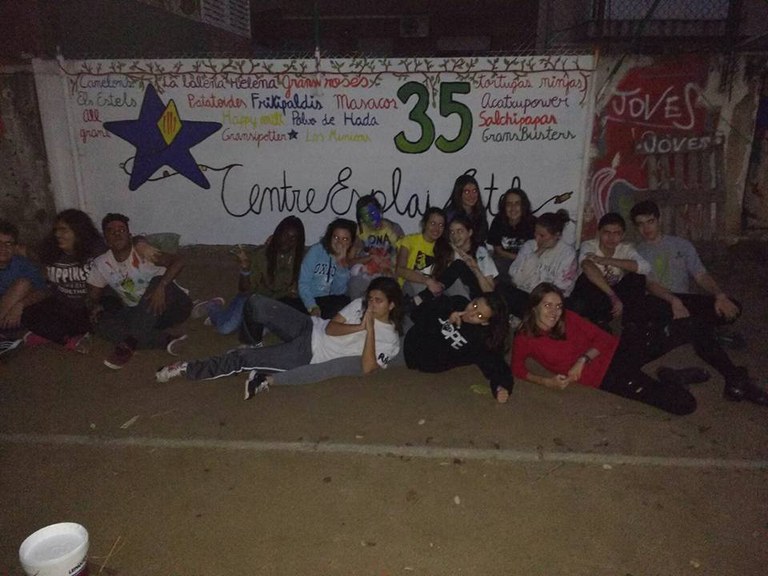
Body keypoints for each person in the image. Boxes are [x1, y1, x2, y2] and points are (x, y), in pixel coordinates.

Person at [155, 276, 404, 400]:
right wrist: (358, 325)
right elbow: (330, 329)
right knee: (256, 303)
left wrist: (369, 330)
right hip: (310, 327)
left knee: (242, 358)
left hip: (308, 353)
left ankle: (186, 368)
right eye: (370, 298)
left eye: (378, 301)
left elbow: (368, 367)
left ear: (391, 305)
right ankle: (254, 342)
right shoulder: (360, 305)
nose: (372, 304)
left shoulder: (390, 340)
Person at [630, 200, 767, 405]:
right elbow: (649, 285)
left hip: (685, 302)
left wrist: (719, 295)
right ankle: (735, 377)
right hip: (659, 302)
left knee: (731, 307)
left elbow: (700, 274)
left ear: (659, 220)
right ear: (636, 227)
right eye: (640, 224)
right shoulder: (637, 252)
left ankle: (703, 331)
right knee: (697, 326)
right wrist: (673, 300)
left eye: (650, 221)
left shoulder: (681, 245)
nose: (646, 228)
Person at [512, 283, 699, 415]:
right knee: (685, 405)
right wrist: (547, 382)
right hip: (605, 377)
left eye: (558, 306)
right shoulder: (525, 337)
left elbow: (603, 338)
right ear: (534, 307)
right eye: (547, 305)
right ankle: (670, 378)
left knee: (682, 328)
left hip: (617, 351)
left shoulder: (567, 317)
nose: (554, 312)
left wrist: (582, 359)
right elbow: (517, 368)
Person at [86, 213, 193, 369]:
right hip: (141, 314)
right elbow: (93, 296)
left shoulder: (143, 251)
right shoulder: (101, 263)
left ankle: (130, 343)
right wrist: (97, 305)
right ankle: (165, 340)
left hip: (173, 304)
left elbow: (179, 261)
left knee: (156, 282)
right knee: (99, 321)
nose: (117, 234)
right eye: (111, 231)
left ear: (129, 235)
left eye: (121, 230)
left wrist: (162, 286)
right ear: (106, 239)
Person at [193, 216, 305, 338]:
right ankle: (213, 307)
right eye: (285, 235)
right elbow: (245, 291)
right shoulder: (261, 255)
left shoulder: (299, 258)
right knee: (225, 328)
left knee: (258, 330)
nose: (288, 241)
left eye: (293, 238)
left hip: (274, 304)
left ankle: (235, 319)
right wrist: (245, 269)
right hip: (251, 298)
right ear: (277, 234)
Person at [21, 209, 106, 353]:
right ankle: (66, 339)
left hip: (87, 306)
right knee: (28, 314)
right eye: (56, 230)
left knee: (103, 318)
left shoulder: (96, 250)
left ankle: (58, 336)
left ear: (79, 231)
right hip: (63, 304)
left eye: (64, 230)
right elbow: (29, 252)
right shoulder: (51, 250)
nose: (58, 234)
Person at [404, 291, 512, 403]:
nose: (471, 313)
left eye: (479, 316)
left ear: (485, 323)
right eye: (474, 305)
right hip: (410, 338)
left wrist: (501, 388)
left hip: (422, 360)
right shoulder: (456, 302)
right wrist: (446, 315)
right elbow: (417, 314)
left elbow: (497, 366)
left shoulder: (480, 340)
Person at [569, 212, 650, 329]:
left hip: (611, 295)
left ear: (623, 235)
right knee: (585, 279)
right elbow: (586, 265)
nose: (611, 238)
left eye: (617, 233)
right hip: (592, 296)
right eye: (607, 233)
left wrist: (608, 260)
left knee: (638, 278)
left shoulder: (625, 249)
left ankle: (631, 325)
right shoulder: (589, 245)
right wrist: (613, 296)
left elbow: (645, 267)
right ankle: (599, 322)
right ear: (599, 233)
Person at [504, 211, 578, 318]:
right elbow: (516, 279)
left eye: (542, 236)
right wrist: (537, 253)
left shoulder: (567, 253)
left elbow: (562, 288)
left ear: (556, 235)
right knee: (503, 290)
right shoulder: (529, 246)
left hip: (549, 302)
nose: (537, 239)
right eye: (536, 234)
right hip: (526, 295)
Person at [425, 214, 498, 302]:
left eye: (460, 231)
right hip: (452, 298)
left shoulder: (480, 253)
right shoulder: (446, 251)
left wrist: (475, 269)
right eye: (452, 232)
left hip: (475, 298)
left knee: (459, 265)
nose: (455, 236)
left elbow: (489, 292)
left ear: (470, 232)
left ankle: (422, 297)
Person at [0, 220, 47, 355]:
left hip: (10, 311)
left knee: (23, 283)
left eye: (8, 243)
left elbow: (44, 291)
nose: (3, 248)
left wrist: (20, 305)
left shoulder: (23, 265)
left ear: (15, 247)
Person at [298, 218, 356, 320]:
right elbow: (303, 283)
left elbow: (338, 292)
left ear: (350, 243)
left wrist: (340, 265)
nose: (339, 243)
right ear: (329, 237)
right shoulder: (316, 251)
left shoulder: (347, 260)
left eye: (345, 239)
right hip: (308, 301)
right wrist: (312, 306)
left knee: (344, 302)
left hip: (328, 302)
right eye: (336, 237)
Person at [348, 195, 402, 299]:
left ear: (380, 210)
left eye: (373, 213)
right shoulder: (360, 231)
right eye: (365, 216)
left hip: (388, 273)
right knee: (355, 283)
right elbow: (350, 262)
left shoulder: (393, 228)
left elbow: (403, 255)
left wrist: (390, 268)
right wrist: (370, 258)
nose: (370, 218)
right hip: (366, 273)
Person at [395, 207, 446, 298]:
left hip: (431, 288)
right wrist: (427, 281)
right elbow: (400, 270)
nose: (437, 228)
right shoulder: (409, 240)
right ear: (424, 224)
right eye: (433, 223)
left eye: (441, 225)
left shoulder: (443, 247)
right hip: (408, 286)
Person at [488, 187, 536, 279]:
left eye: (517, 203)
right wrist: (517, 258)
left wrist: (522, 261)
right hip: (504, 261)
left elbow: (536, 252)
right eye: (509, 204)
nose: (513, 208)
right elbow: (498, 251)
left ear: (523, 206)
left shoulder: (532, 223)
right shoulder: (498, 221)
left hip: (527, 263)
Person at [444, 174, 489, 245]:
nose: (472, 196)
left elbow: (482, 237)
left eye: (474, 191)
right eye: (467, 192)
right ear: (459, 193)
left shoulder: (480, 211)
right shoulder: (450, 215)